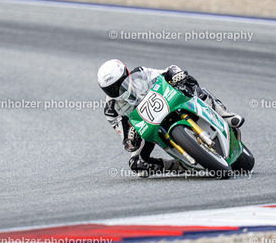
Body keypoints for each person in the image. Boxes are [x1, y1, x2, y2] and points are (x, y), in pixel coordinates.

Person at [97, 59, 244, 175]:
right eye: (111, 89)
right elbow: (128, 143)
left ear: (126, 74)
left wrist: (176, 75)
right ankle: (179, 166)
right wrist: (131, 137)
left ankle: (223, 113)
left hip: (166, 101)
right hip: (146, 125)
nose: (117, 89)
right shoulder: (111, 109)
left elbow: (167, 72)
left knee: (189, 83)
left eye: (119, 83)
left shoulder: (140, 74)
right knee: (138, 165)